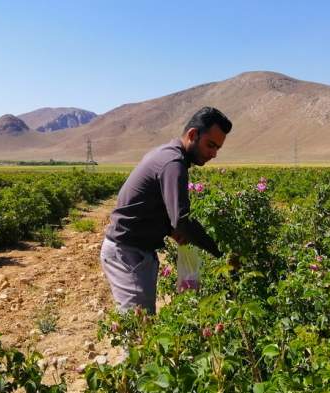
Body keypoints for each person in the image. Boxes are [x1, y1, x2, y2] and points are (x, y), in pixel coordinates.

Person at [100, 106, 233, 315]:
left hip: (135, 252)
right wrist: (219, 253)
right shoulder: (173, 163)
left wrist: (171, 231)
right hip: (128, 253)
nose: (214, 154)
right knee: (139, 333)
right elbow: (182, 220)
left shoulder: (167, 155)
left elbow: (156, 209)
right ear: (192, 135)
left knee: (143, 324)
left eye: (218, 148)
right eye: (210, 145)